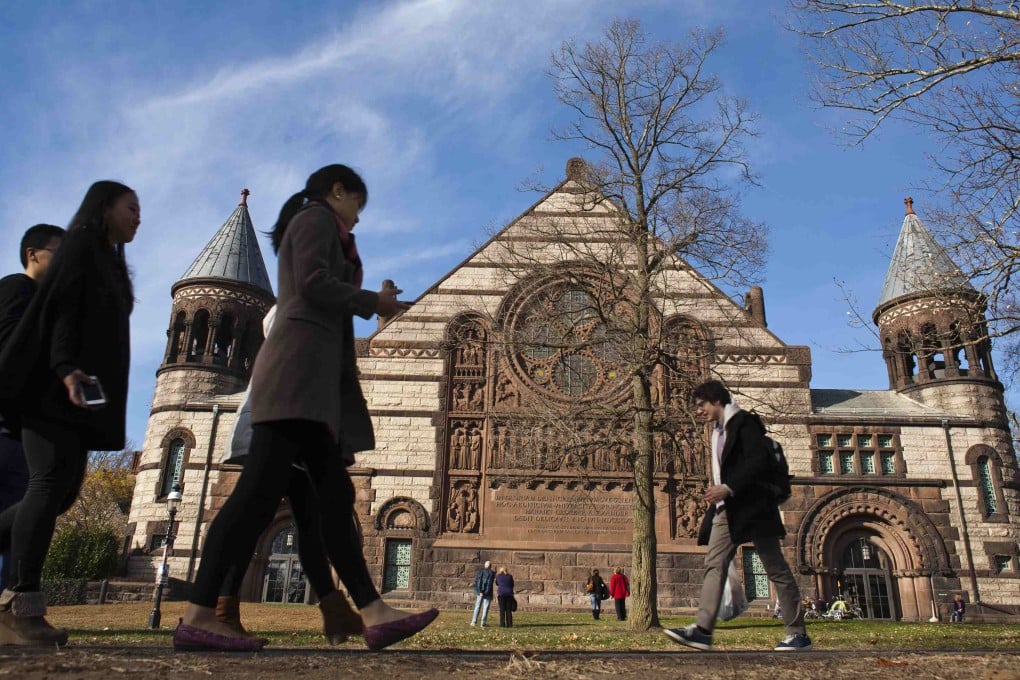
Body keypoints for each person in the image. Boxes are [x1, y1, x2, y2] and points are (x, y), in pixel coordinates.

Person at [175, 164, 435, 652]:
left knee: (332, 500)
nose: (358, 218)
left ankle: (372, 611)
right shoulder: (314, 220)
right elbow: (314, 285)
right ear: (337, 191)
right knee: (254, 499)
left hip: (311, 385)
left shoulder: (325, 226)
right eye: (357, 204)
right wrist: (371, 301)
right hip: (295, 379)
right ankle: (199, 614)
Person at [0, 183, 138, 646]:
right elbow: (58, 313)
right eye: (131, 207)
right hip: (53, 388)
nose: (138, 216)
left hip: (79, 390)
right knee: (46, 484)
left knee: (58, 494)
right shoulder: (80, 251)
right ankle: (20, 606)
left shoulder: (106, 259)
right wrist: (63, 368)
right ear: (105, 210)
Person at [215, 306, 362, 645]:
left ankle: (334, 611)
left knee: (309, 522)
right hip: (281, 427)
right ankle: (218, 611)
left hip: (300, 432)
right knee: (252, 517)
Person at [664, 380, 811, 652]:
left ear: (717, 401)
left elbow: (758, 462)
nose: (699, 411)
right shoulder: (716, 431)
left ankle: (797, 633)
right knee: (714, 563)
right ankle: (703, 631)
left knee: (775, 568)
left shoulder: (745, 424)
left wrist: (728, 487)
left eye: (701, 405)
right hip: (727, 509)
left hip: (754, 507)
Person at [0, 225, 65, 592]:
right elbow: (9, 353)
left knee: (25, 516)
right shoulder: (17, 289)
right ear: (33, 254)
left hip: (25, 430)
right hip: (8, 427)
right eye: (59, 254)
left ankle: (11, 605)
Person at [470, 560, 495, 627]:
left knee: (477, 606)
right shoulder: (491, 573)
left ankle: (473, 622)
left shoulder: (480, 571)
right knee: (485, 607)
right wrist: (485, 592)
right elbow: (489, 584)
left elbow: (477, 582)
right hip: (487, 592)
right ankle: (483, 623)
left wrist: (480, 591)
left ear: (485, 565)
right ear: (490, 566)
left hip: (479, 592)